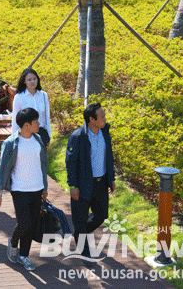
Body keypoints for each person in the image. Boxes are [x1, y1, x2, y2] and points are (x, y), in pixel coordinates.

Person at [0, 107, 48, 271]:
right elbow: (3, 168)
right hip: (20, 190)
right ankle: (13, 241)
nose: (39, 124)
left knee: (31, 226)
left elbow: (43, 165)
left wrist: (45, 187)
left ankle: (24, 256)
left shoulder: (38, 139)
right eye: (36, 122)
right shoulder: (11, 143)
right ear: (26, 125)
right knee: (24, 224)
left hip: (37, 189)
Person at [66, 103, 116, 267]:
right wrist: (73, 185)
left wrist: (111, 178)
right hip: (83, 185)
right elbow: (71, 162)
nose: (105, 119)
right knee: (80, 220)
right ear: (91, 120)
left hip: (101, 184)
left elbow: (109, 156)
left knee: (101, 215)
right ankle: (85, 252)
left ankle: (80, 234)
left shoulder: (104, 131)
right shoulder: (78, 136)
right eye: (101, 116)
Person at [11, 68, 52, 146]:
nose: (32, 82)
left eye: (34, 79)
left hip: (41, 134)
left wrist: (49, 136)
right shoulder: (19, 97)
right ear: (24, 81)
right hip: (26, 135)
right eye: (29, 80)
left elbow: (47, 117)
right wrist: (14, 138)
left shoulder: (43, 95)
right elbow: (15, 119)